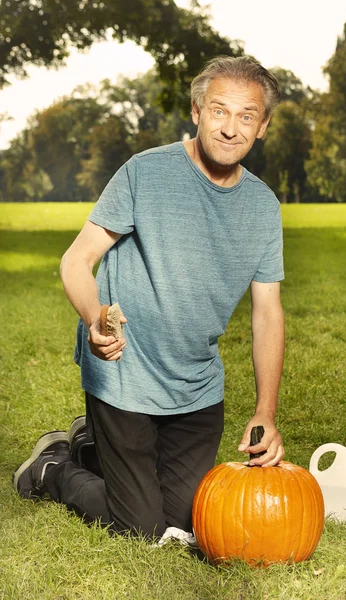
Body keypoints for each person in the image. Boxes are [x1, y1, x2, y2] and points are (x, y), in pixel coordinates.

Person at [13, 55, 285, 541]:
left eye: (246, 116)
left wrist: (266, 411)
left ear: (262, 126)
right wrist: (95, 319)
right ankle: (53, 468)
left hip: (196, 387)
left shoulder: (264, 208)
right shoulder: (146, 172)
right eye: (220, 111)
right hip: (125, 373)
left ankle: (92, 449)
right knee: (140, 528)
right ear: (198, 112)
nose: (230, 128)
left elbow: (267, 312)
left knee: (185, 521)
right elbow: (76, 261)